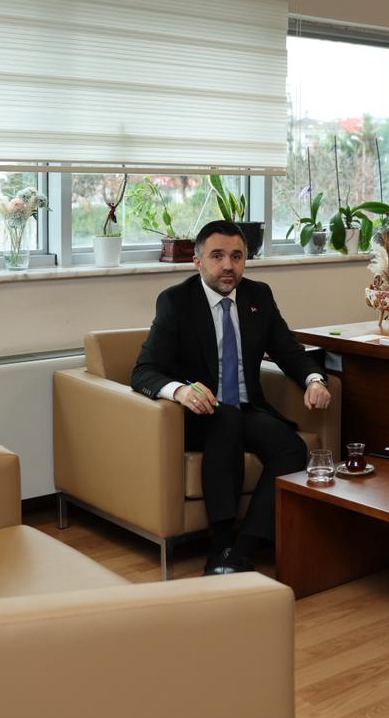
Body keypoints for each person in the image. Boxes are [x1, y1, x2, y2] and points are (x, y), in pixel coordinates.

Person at [130, 219, 330, 575]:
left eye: (237, 257)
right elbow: (143, 372)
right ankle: (219, 543)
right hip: (198, 415)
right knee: (225, 421)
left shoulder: (258, 296)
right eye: (217, 256)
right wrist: (181, 391)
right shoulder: (176, 301)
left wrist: (314, 380)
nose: (228, 265)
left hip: (245, 407)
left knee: (291, 447)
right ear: (197, 261)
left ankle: (241, 548)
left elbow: (289, 352)